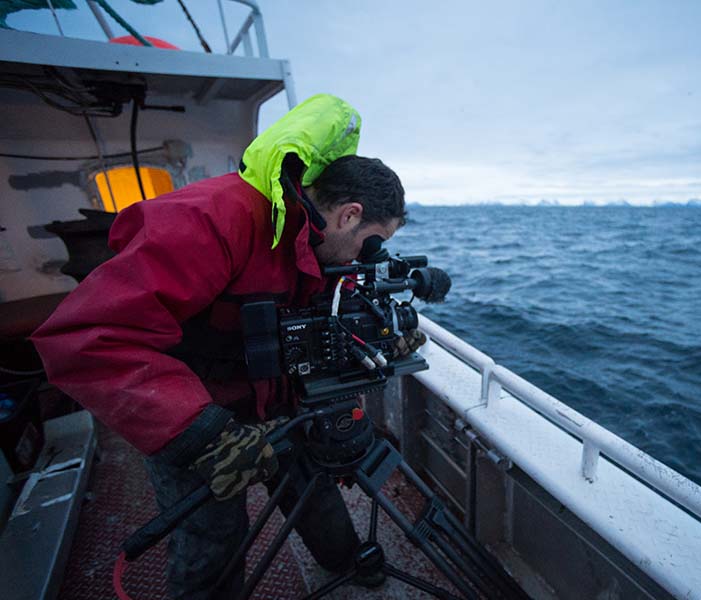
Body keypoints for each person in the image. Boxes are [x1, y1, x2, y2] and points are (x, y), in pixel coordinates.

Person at [31, 94, 423, 599]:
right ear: (348, 216)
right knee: (213, 537)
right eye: (373, 242)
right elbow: (85, 337)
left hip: (281, 402)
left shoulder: (315, 240)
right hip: (196, 413)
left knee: (315, 489)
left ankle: (346, 561)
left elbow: (320, 315)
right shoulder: (212, 219)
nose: (370, 258)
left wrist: (384, 334)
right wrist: (201, 435)